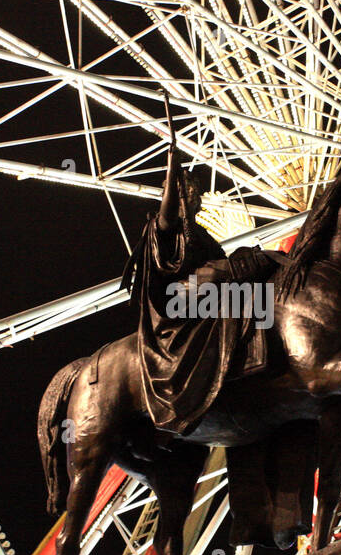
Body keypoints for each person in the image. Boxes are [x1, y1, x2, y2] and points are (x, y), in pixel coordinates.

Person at [121, 148, 282, 435]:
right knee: (232, 274)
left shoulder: (202, 234)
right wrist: (172, 172)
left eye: (197, 192)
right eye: (190, 191)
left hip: (207, 293)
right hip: (180, 297)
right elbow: (168, 212)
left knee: (253, 278)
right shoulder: (167, 227)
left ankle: (254, 355)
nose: (196, 197)